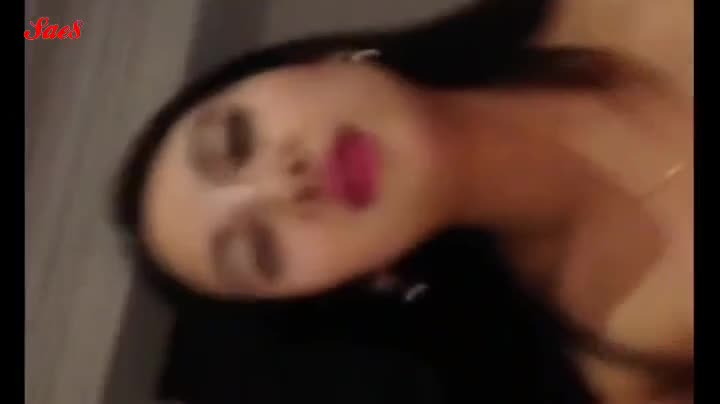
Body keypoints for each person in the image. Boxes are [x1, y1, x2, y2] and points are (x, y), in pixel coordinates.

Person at [112, 1, 693, 403]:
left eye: (236, 140)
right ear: (356, 283)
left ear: (319, 62)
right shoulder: (626, 365)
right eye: (260, 249)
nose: (284, 185)